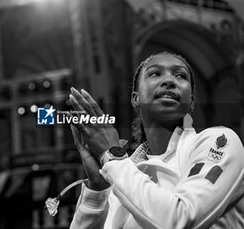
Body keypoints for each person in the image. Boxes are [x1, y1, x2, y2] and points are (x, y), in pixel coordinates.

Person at [68, 52, 244, 229]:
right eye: (155, 73)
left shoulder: (218, 142)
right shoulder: (122, 172)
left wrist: (112, 155)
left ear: (191, 101)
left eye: (180, 75)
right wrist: (97, 189)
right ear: (135, 98)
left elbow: (181, 219)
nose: (169, 81)